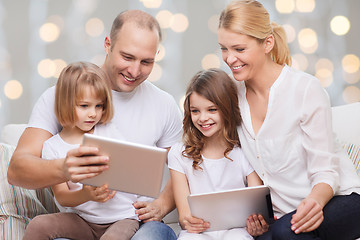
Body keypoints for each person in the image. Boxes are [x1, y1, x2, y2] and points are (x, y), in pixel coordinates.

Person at [8, 10, 182, 240]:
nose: (135, 71)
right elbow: (17, 170)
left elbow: (184, 166)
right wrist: (64, 169)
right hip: (82, 220)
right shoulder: (61, 96)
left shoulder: (164, 104)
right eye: (127, 57)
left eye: (147, 62)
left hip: (136, 222)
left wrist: (162, 204)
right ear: (107, 44)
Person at [217, 1, 360, 239]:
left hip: (336, 199)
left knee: (285, 232)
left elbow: (326, 171)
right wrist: (257, 215)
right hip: (284, 215)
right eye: (224, 48)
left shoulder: (305, 89)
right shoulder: (232, 96)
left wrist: (313, 202)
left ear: (267, 44)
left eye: (239, 49)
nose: (230, 59)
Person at [23, 61, 140, 240]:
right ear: (65, 104)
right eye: (84, 106)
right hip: (83, 221)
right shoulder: (52, 147)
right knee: (38, 225)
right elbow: (62, 197)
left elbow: (129, 166)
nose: (93, 113)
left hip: (122, 218)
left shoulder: (108, 131)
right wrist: (86, 194)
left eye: (98, 106)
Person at [168, 68, 263, 240]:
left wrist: (257, 225)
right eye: (195, 111)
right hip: (197, 233)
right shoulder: (179, 154)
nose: (202, 118)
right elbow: (184, 216)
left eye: (212, 110)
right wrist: (188, 222)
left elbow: (257, 207)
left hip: (237, 231)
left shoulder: (244, 152)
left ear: (226, 109)